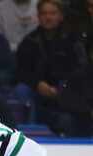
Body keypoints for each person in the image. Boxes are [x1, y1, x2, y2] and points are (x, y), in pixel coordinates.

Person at [16, 0, 87, 136]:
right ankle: (28, 134)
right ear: (38, 16)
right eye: (44, 13)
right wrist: (37, 84)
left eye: (53, 13)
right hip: (37, 91)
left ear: (60, 16)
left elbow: (80, 69)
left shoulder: (73, 40)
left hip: (66, 91)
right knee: (22, 91)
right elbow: (21, 71)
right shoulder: (29, 41)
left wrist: (62, 87)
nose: (48, 17)